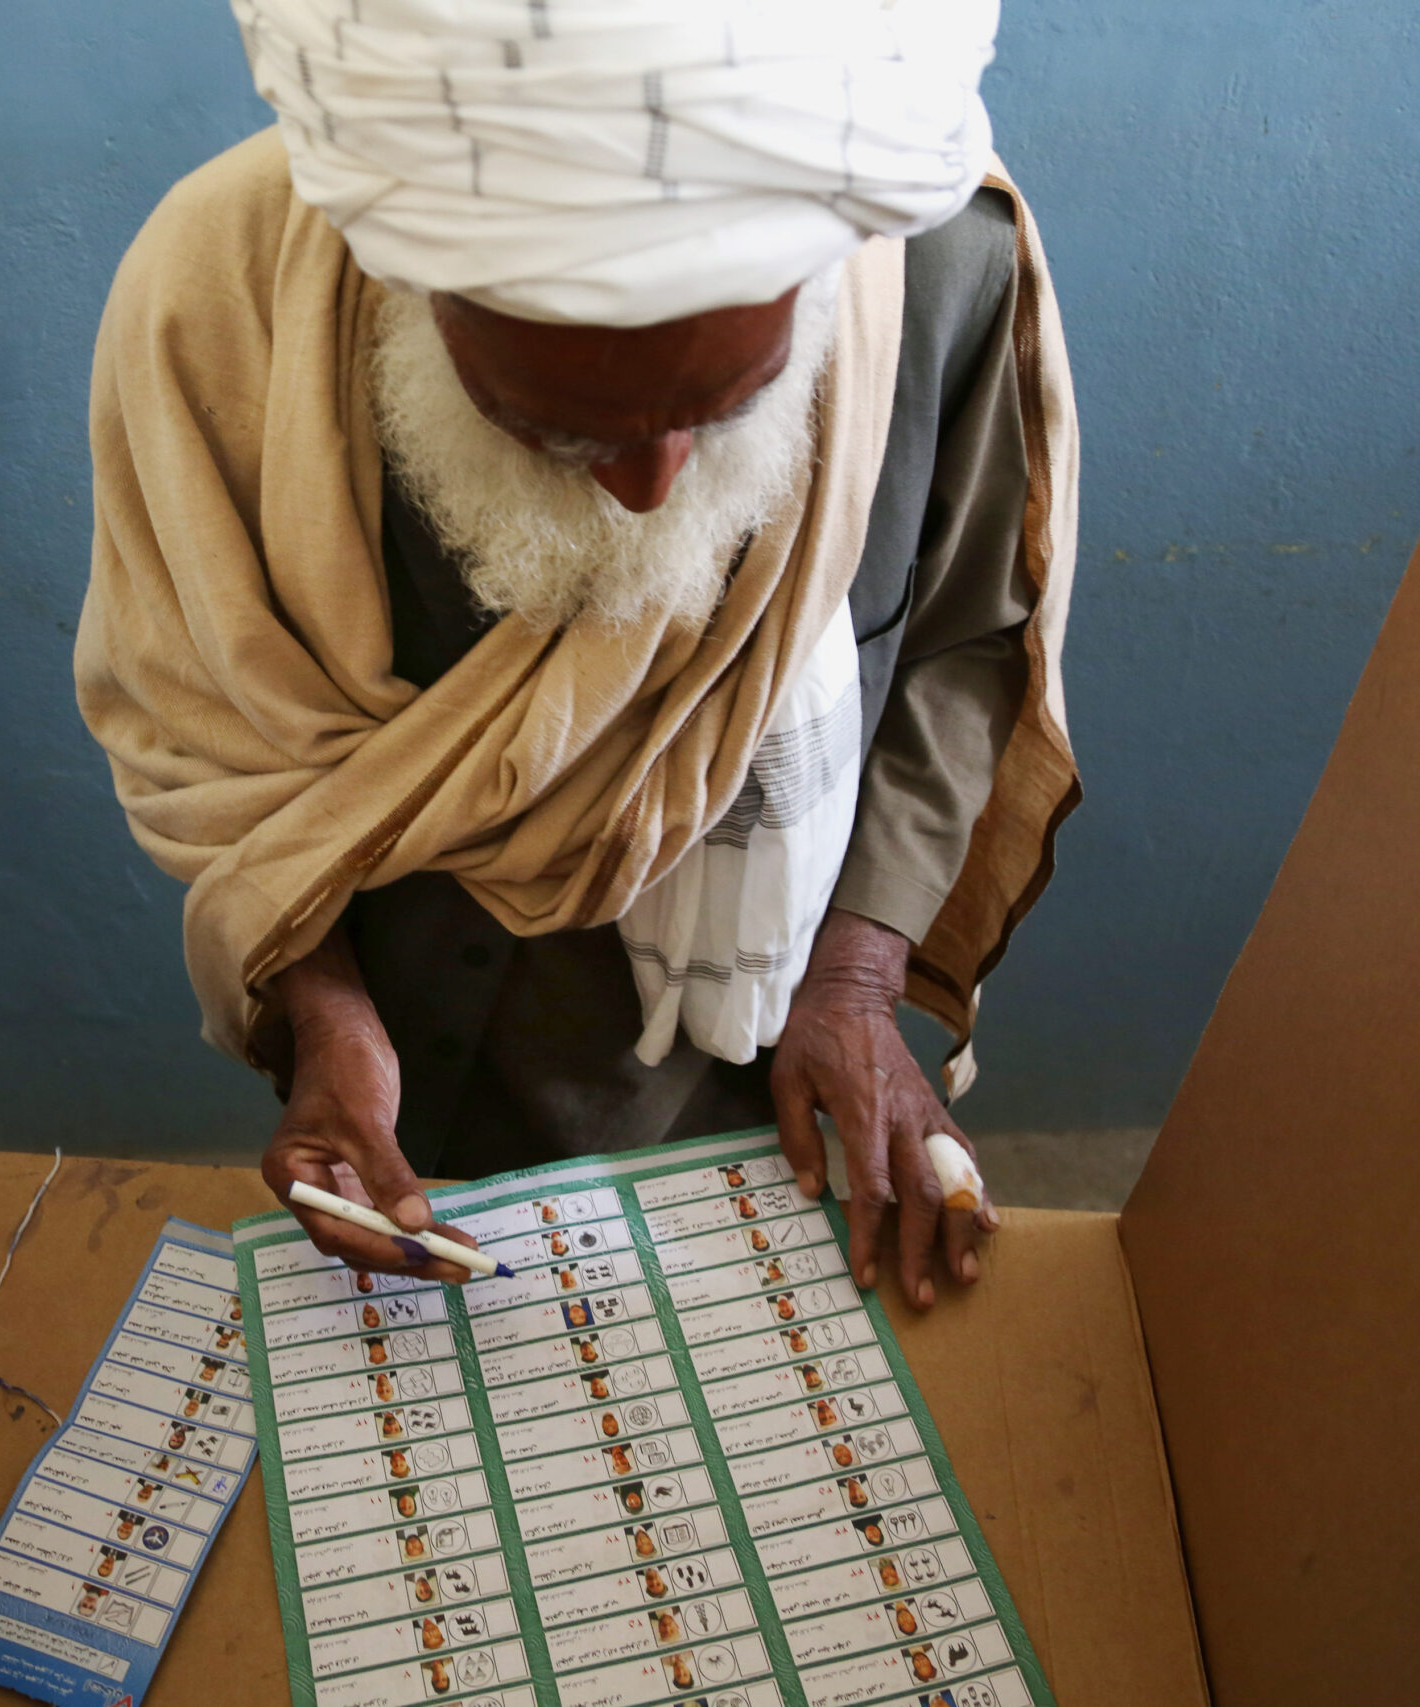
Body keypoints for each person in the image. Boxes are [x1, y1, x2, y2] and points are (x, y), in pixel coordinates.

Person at [76, 0, 1080, 1309]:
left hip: (769, 1044)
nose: (654, 490)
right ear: (411, 292)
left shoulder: (940, 267)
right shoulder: (222, 299)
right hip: (408, 1033)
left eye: (724, 410)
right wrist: (326, 1021)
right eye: (556, 429)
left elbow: (958, 644)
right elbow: (192, 718)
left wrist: (856, 979)